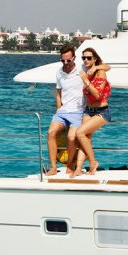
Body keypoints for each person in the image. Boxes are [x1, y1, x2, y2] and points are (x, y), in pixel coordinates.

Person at [46, 44, 84, 176]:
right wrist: (58, 109)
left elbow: (103, 67)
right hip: (63, 111)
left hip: (78, 111)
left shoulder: (81, 69)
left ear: (74, 58)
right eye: (63, 60)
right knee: (51, 133)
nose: (65, 63)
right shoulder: (59, 72)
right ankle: (52, 167)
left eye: (68, 60)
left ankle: (70, 166)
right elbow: (58, 93)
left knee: (71, 137)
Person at [74, 47, 111, 175]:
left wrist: (85, 79)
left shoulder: (100, 73)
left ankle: (93, 162)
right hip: (88, 110)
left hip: (101, 111)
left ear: (94, 59)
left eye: (89, 58)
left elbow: (98, 96)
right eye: (83, 57)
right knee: (85, 138)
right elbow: (108, 66)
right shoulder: (87, 71)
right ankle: (78, 169)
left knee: (80, 133)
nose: (85, 60)